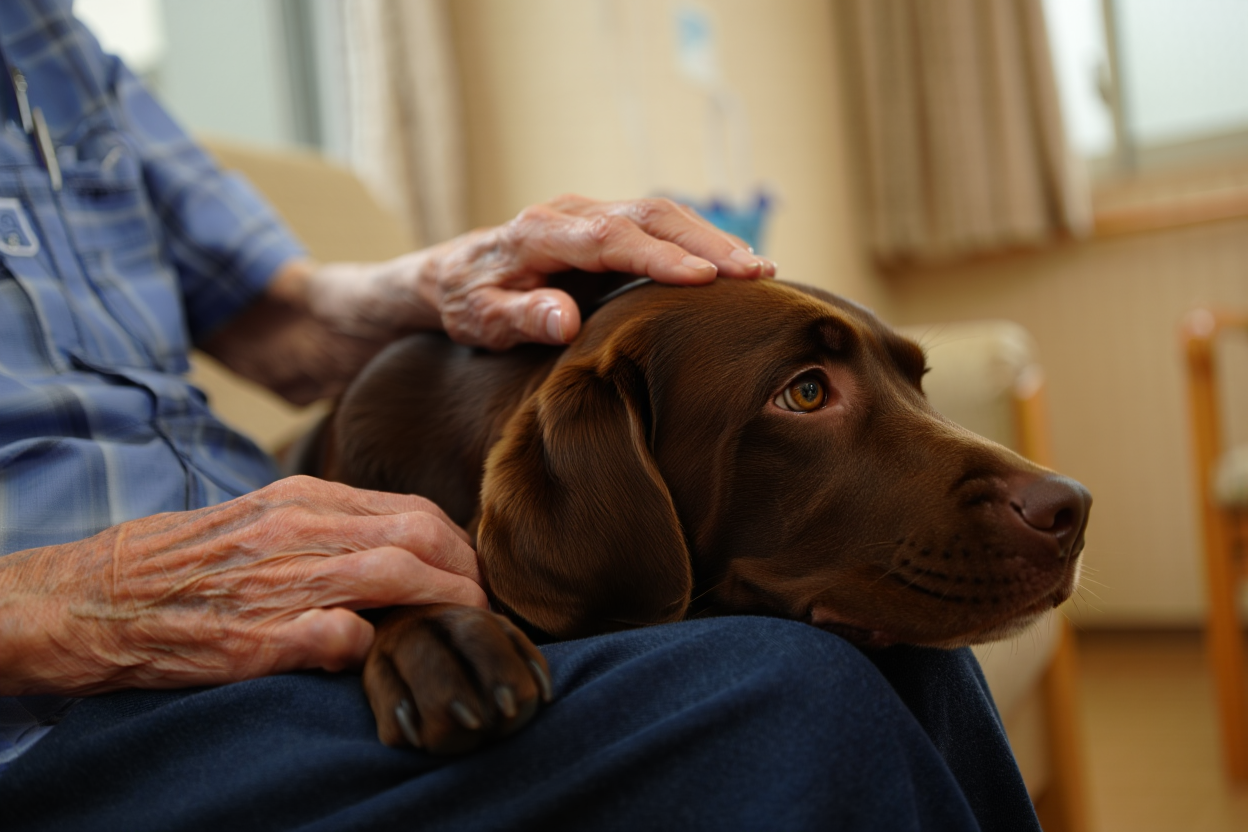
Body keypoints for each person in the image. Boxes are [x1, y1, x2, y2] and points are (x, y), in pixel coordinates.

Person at [0, 2, 1041, 830]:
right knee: (791, 697)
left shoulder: (49, 38)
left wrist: (447, 278)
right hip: (55, 719)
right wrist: (74, 599)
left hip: (295, 602)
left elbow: (280, 318)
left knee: (909, 652)